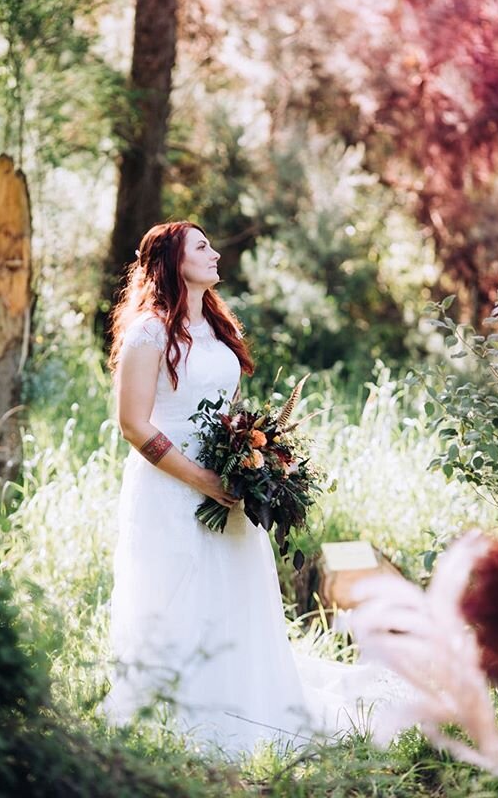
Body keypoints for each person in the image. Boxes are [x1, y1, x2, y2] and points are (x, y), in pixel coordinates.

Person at [99, 221, 405, 755]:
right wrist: (203, 480)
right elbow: (134, 425)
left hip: (229, 487)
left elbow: (225, 411)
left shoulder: (216, 329)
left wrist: (254, 463)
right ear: (173, 261)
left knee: (232, 594)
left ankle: (246, 705)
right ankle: (173, 714)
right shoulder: (147, 333)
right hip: (169, 491)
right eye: (202, 247)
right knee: (176, 596)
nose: (215, 253)